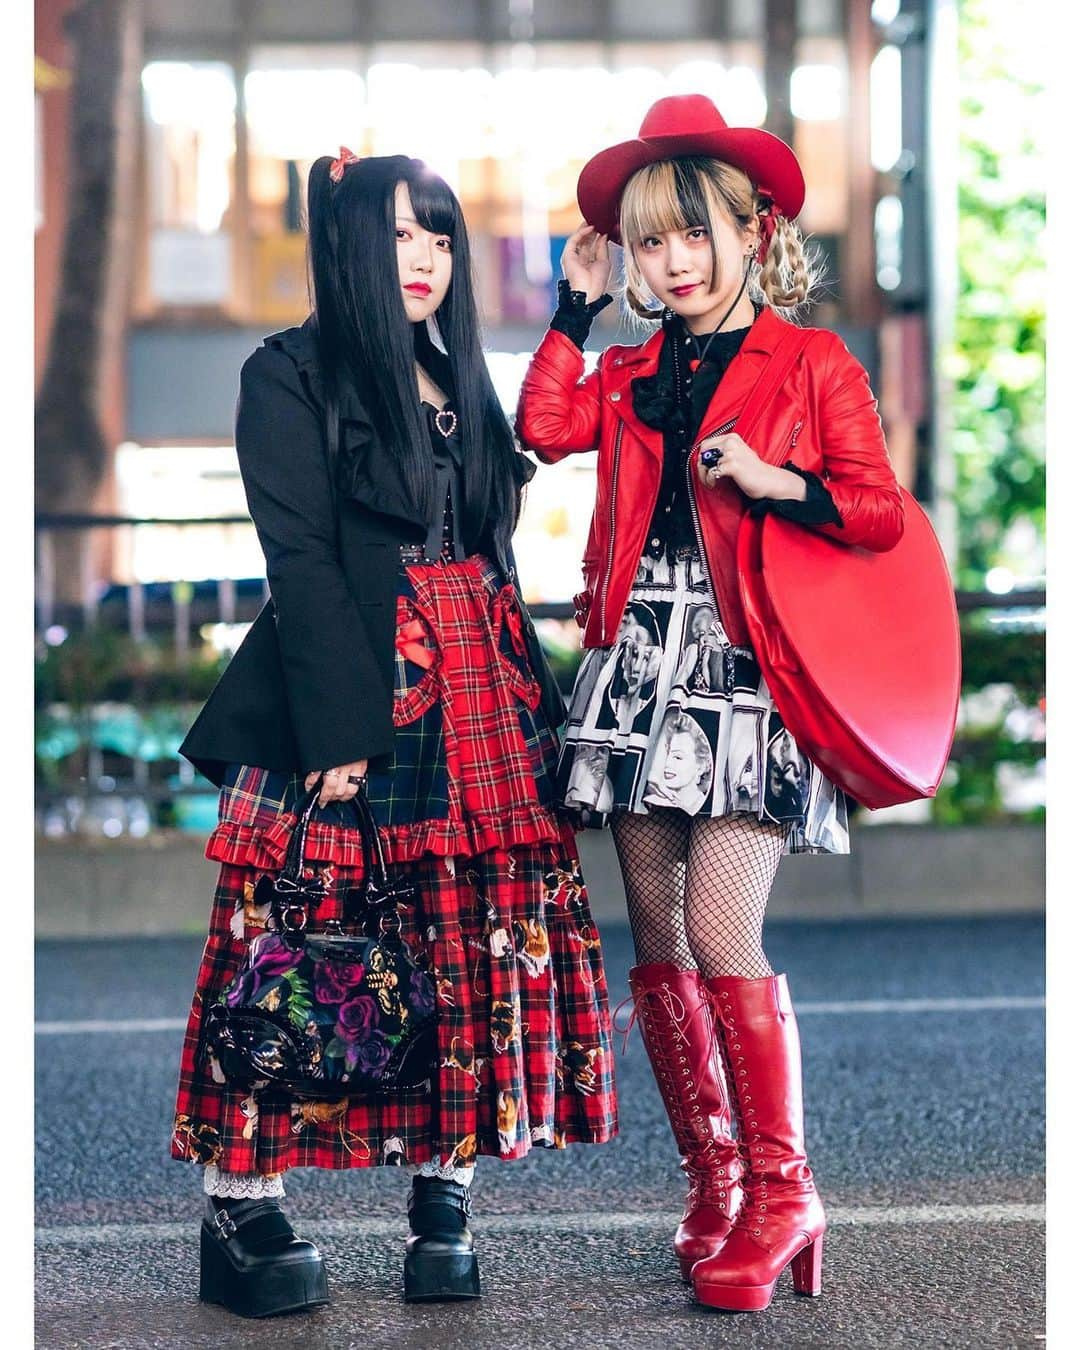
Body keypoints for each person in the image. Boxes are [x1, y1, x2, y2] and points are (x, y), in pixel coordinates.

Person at [172, 152, 617, 1318]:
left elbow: (493, 533)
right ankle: (244, 1204)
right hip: (352, 691)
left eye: (440, 238)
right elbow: (302, 561)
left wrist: (576, 308)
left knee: (468, 941)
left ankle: (443, 1206)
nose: (423, 260)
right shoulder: (287, 376)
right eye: (400, 236)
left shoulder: (457, 372)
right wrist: (340, 728)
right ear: (346, 248)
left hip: (481, 697)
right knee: (297, 946)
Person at [516, 94, 904, 1313]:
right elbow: (543, 424)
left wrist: (776, 479)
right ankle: (716, 1178)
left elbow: (880, 512)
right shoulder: (629, 368)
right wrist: (574, 312)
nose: (672, 262)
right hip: (639, 659)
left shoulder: (813, 361)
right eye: (646, 242)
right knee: (659, 937)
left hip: (749, 665)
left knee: (724, 929)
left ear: (752, 228)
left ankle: (787, 1196)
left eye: (693, 234)